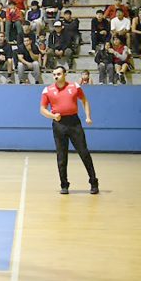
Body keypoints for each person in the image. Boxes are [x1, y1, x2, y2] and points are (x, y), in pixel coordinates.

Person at [39, 66, 99, 195]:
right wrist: (53, 116)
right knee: (61, 155)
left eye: (59, 74)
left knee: (84, 152)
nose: (56, 76)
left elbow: (84, 100)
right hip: (59, 124)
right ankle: (64, 184)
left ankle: (93, 182)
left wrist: (88, 116)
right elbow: (42, 109)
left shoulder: (74, 87)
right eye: (54, 74)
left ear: (65, 74)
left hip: (74, 123)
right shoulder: (47, 90)